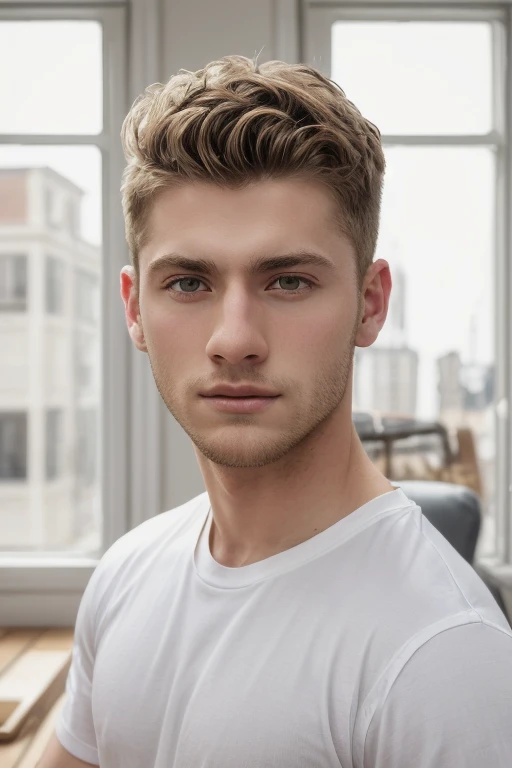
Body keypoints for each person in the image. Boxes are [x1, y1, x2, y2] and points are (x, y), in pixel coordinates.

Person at [39, 55, 512, 768]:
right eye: (190, 282)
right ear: (135, 309)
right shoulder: (126, 573)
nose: (235, 340)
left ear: (370, 303)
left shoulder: (443, 655)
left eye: (288, 280)